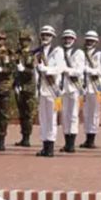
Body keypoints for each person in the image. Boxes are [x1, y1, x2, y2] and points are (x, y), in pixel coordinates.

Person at [34, 25, 62, 157]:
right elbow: (35, 73)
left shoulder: (57, 51)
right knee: (43, 119)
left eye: (48, 35)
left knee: (52, 119)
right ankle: (44, 146)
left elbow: (59, 68)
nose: (45, 37)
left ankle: (50, 147)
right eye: (43, 35)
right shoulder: (38, 52)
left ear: (52, 37)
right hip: (42, 89)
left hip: (52, 89)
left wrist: (46, 69)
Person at [58, 29, 84, 153]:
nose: (67, 40)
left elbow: (79, 71)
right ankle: (66, 142)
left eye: (70, 38)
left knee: (73, 115)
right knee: (64, 116)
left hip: (74, 87)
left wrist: (66, 70)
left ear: (74, 40)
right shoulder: (59, 52)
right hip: (63, 88)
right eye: (65, 38)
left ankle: (72, 144)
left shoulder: (78, 53)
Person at [0, 31, 16, 151]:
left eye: (1, 39)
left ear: (5, 40)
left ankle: (1, 141)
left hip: (5, 87)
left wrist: (1, 69)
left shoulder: (9, 53)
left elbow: (13, 68)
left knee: (3, 115)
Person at [79, 30, 101, 149]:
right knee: (86, 113)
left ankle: (92, 138)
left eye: (92, 40)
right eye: (88, 40)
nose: (89, 42)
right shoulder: (81, 54)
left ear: (96, 42)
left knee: (94, 113)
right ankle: (87, 137)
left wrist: (88, 70)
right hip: (83, 87)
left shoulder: (99, 55)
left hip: (95, 87)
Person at [14, 30, 37, 147]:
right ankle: (23, 136)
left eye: (25, 40)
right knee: (21, 113)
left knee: (28, 113)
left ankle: (27, 137)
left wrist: (23, 69)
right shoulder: (17, 54)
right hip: (19, 87)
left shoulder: (31, 55)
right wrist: (15, 84)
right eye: (22, 40)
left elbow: (32, 71)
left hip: (28, 87)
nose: (23, 42)